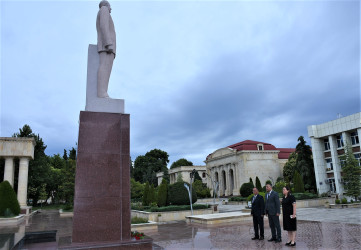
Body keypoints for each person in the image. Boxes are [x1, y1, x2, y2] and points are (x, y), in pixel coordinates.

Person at [96, 0, 116, 98]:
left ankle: (104, 91)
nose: (111, 8)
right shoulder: (104, 9)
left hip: (108, 47)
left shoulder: (105, 11)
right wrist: (108, 43)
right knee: (104, 66)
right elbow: (103, 26)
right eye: (110, 6)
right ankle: (101, 93)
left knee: (107, 69)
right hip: (106, 46)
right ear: (106, 5)